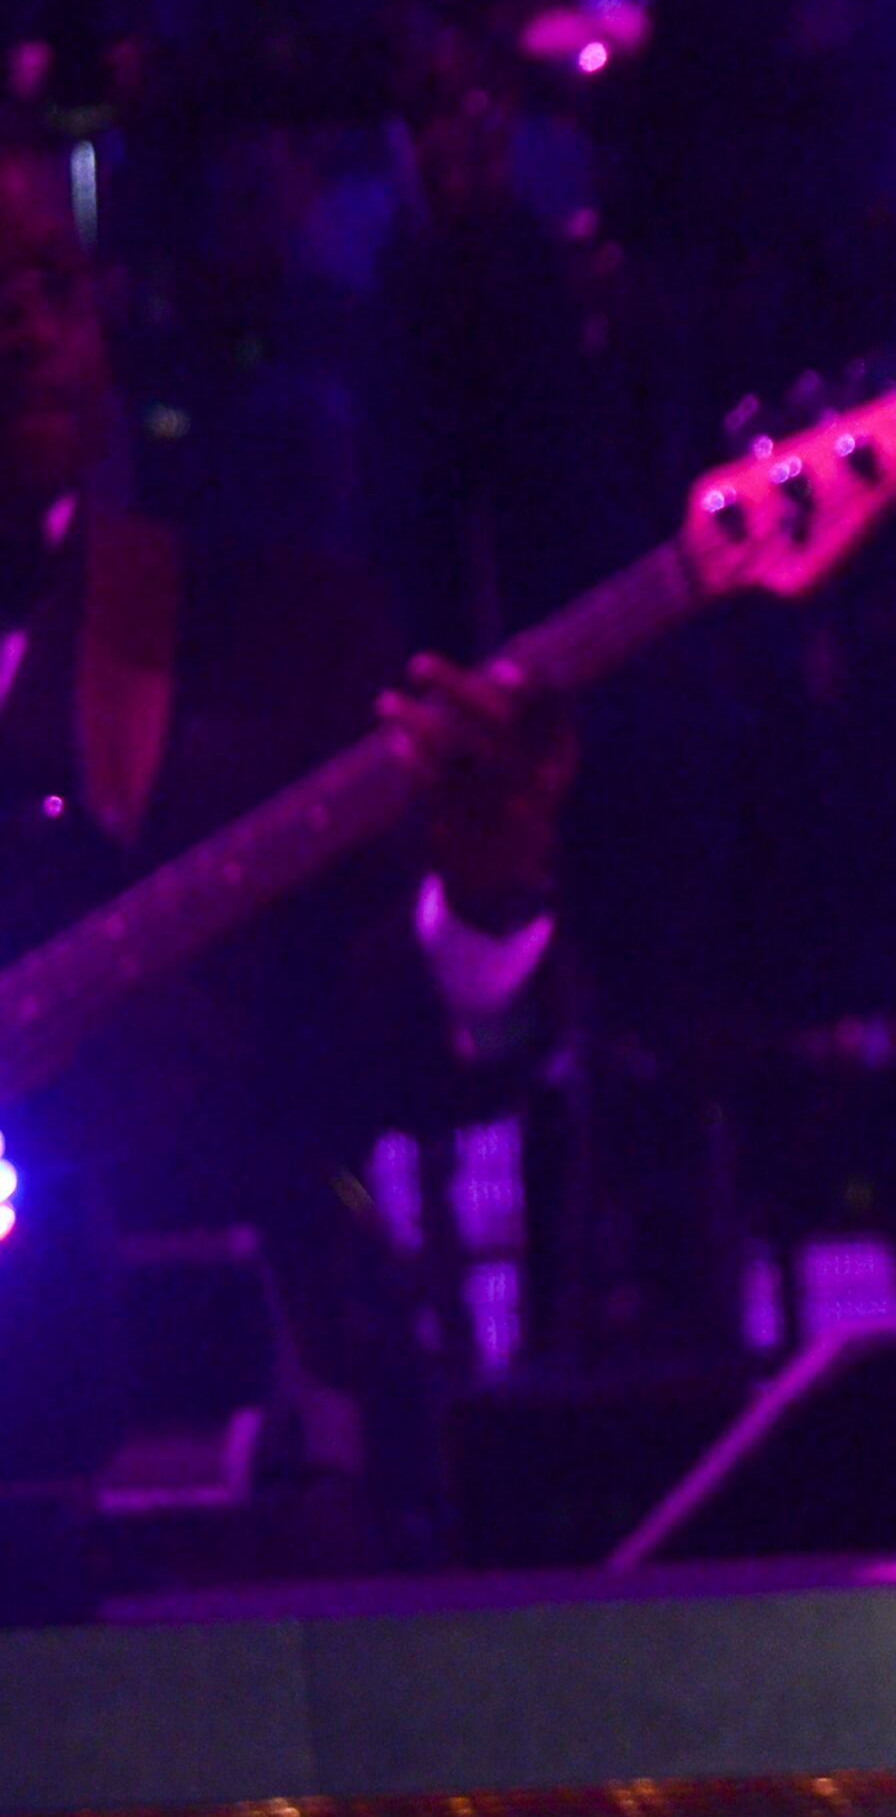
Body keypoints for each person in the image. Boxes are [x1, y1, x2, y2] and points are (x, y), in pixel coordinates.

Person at [0, 140, 571, 1577]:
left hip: (220, 1460)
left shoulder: (272, 636)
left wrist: (487, 902)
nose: (25, 325)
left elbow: (412, 1052)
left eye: (51, 284)